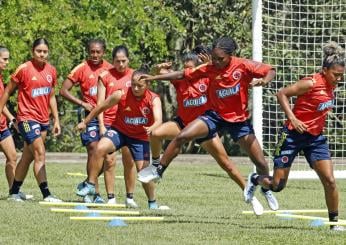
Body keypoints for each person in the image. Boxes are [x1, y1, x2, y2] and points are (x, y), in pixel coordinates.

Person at [138, 36, 279, 211]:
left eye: (221, 59)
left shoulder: (243, 65)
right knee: (182, 136)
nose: (217, 62)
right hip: (215, 116)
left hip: (238, 121)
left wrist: (265, 80)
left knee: (262, 164)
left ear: (231, 55)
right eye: (214, 58)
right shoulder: (210, 68)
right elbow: (183, 74)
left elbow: (271, 69)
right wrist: (153, 78)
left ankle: (263, 187)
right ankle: (158, 170)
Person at [244, 41, 345, 231]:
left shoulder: (332, 86)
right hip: (291, 135)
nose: (339, 79)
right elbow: (281, 94)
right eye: (336, 75)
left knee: (330, 180)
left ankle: (334, 224)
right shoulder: (310, 83)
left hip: (315, 139)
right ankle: (256, 179)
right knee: (278, 185)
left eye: (342, 76)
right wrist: (294, 118)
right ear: (324, 70)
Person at [76, 68, 163, 209]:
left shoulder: (154, 98)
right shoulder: (121, 94)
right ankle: (91, 185)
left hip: (139, 138)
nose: (135, 88)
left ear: (148, 85)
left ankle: (152, 202)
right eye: (133, 84)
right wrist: (85, 122)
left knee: (144, 173)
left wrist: (153, 126)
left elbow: (159, 119)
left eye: (139, 86)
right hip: (120, 132)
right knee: (100, 148)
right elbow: (100, 107)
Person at [0, 38, 61, 202]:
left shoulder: (51, 71)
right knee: (40, 152)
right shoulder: (24, 69)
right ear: (32, 51)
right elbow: (7, 91)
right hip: (27, 119)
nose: (42, 54)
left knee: (27, 157)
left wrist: (56, 120)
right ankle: (47, 194)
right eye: (38, 51)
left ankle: (14, 192)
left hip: (43, 120)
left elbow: (52, 96)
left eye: (45, 51)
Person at [60, 39, 113, 203]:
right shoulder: (81, 68)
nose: (95, 55)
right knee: (93, 149)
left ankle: (88, 183)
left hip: (107, 115)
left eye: (98, 52)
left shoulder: (110, 69)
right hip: (88, 116)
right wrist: (83, 103)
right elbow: (63, 90)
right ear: (88, 52)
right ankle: (94, 194)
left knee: (107, 156)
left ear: (103, 52)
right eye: (92, 52)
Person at [97, 45, 138, 207]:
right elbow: (100, 104)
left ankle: (129, 198)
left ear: (128, 60)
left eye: (123, 61)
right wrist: (101, 125)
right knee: (110, 160)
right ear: (112, 61)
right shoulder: (105, 76)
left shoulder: (135, 75)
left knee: (129, 160)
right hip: (108, 122)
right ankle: (111, 198)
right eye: (117, 61)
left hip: (128, 123)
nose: (121, 64)